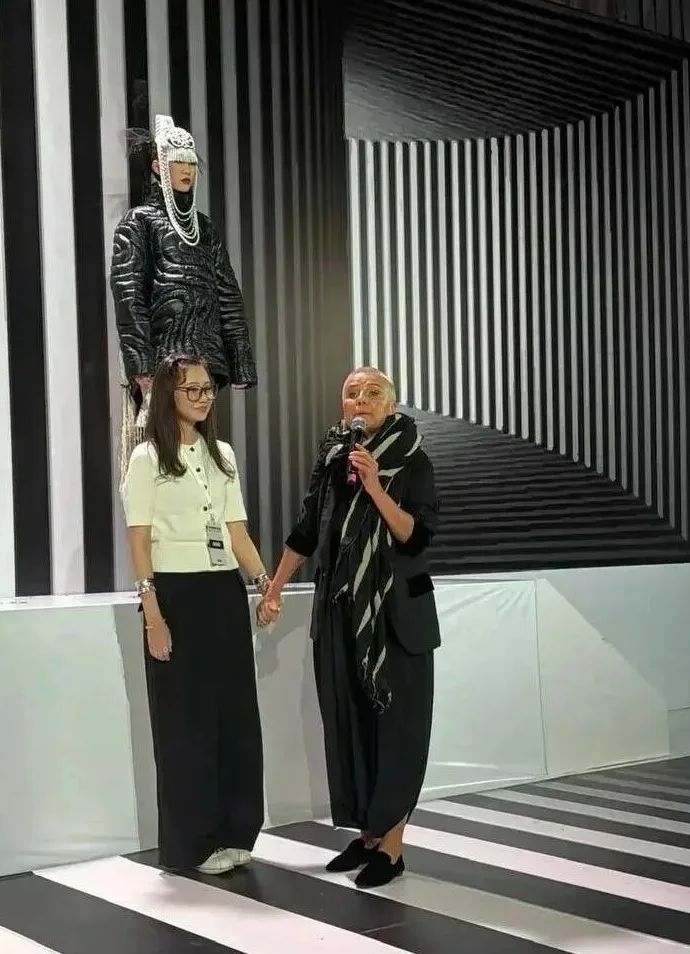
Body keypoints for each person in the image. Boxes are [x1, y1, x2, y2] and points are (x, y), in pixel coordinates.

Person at [258, 367, 440, 889]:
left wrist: (376, 486)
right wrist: (274, 588)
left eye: (372, 392)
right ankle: (367, 836)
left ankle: (393, 848)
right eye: (352, 393)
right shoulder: (334, 459)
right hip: (340, 613)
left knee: (397, 730)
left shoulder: (413, 458)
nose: (361, 400)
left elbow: (415, 536)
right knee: (350, 725)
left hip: (396, 618)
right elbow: (307, 530)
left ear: (391, 404)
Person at [122, 353, 270, 875]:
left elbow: (236, 530)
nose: (205, 397)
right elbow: (139, 542)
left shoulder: (222, 454)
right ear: (169, 395)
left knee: (234, 715)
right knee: (185, 723)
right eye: (194, 390)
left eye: (209, 389)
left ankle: (237, 829)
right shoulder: (147, 459)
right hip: (176, 595)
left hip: (222, 592)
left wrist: (263, 583)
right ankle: (193, 842)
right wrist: (153, 614)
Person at [111, 115, 257, 484]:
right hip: (163, 364)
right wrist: (142, 367)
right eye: (178, 162)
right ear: (158, 167)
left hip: (204, 361)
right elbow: (129, 295)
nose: (187, 170)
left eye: (191, 163)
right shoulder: (139, 222)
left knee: (200, 454)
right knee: (156, 456)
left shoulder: (205, 229)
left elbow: (227, 294)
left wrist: (239, 362)